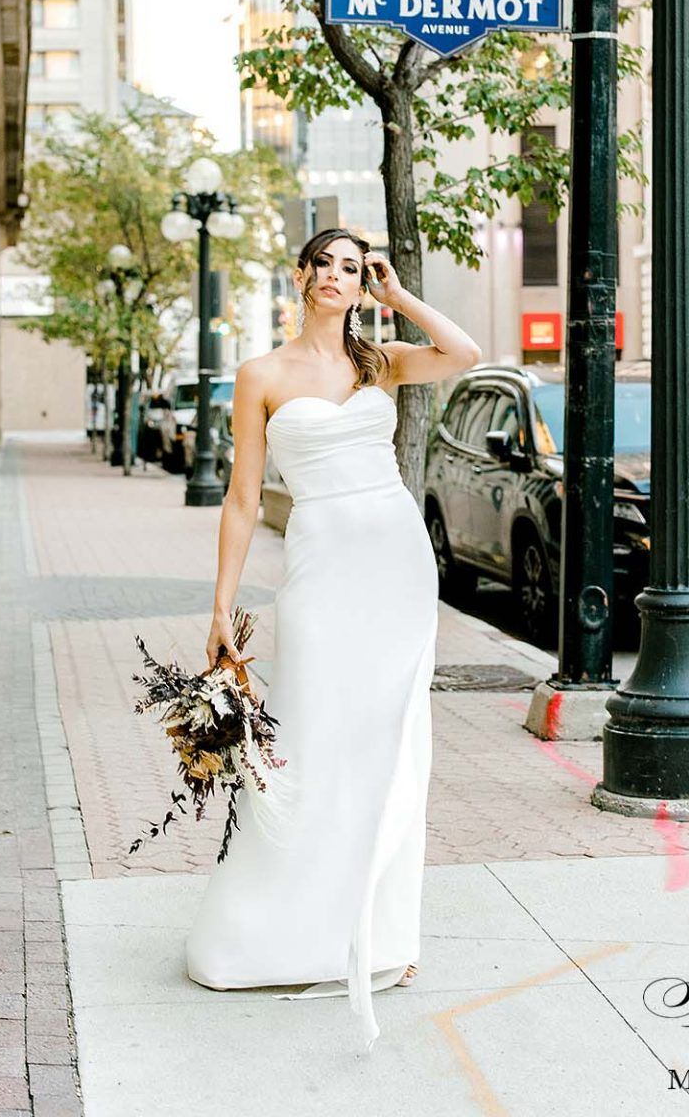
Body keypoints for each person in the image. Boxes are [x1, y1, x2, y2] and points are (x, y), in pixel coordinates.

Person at [183, 227, 480, 1053]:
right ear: (301, 275)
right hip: (320, 566)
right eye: (326, 265)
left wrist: (398, 294)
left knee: (393, 746)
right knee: (312, 742)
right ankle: (281, 932)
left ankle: (384, 935)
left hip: (394, 563)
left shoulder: (380, 360)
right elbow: (243, 498)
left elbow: (462, 352)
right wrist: (220, 606)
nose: (336, 278)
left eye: (353, 268)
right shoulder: (261, 376)